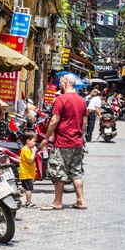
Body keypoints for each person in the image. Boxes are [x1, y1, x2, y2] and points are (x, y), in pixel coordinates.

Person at [40, 74, 87, 210]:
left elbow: (54, 120)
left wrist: (46, 137)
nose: (59, 85)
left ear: (65, 83)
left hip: (63, 142)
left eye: (60, 82)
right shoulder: (82, 101)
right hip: (77, 142)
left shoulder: (61, 99)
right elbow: (84, 123)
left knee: (59, 171)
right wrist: (78, 135)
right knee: (76, 172)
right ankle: (81, 200)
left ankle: (57, 202)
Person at [18, 131, 38, 208]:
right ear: (28, 141)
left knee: (26, 188)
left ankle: (19, 195)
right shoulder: (26, 149)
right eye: (34, 141)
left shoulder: (28, 149)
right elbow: (30, 160)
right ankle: (28, 202)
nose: (35, 143)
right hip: (26, 173)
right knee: (28, 189)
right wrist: (34, 152)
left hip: (27, 173)